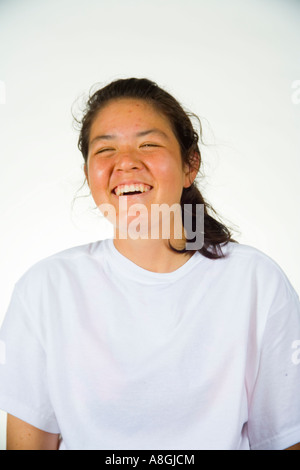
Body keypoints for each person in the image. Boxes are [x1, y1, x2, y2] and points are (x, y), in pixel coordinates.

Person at [0, 78, 299, 450]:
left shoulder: (255, 282)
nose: (125, 162)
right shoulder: (45, 289)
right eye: (105, 149)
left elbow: (284, 440)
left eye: (148, 144)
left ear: (190, 165)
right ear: (88, 174)